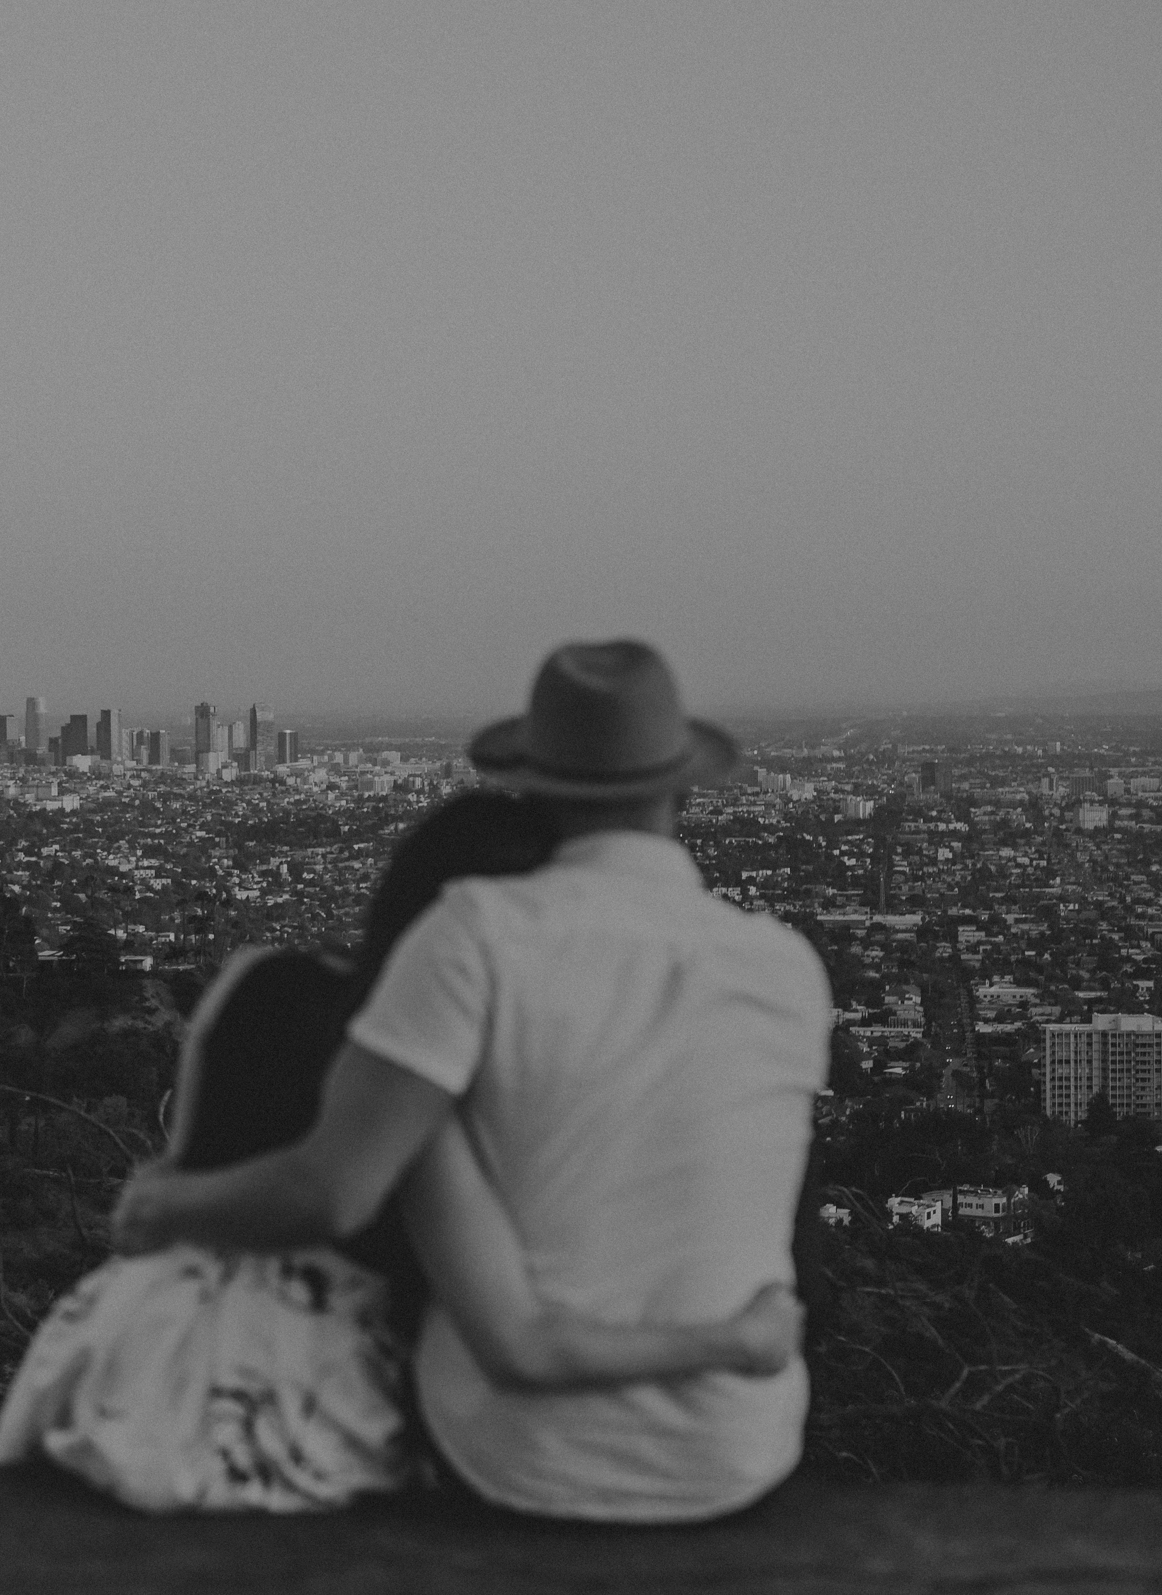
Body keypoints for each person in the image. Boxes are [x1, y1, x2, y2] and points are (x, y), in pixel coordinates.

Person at [109, 639, 832, 1522]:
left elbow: (334, 1191)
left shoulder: (475, 937)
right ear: (683, 787)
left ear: (533, 787)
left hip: (522, 1457)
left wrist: (159, 1204)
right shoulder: (786, 966)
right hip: (742, 1447)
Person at [0, 790, 803, 1514]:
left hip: (127, 1341)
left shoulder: (259, 981)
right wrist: (737, 1341)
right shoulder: (428, 1083)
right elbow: (505, 1329)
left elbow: (180, 1166)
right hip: (304, 1400)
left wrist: (162, 1208)